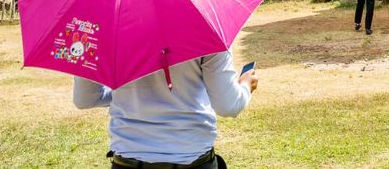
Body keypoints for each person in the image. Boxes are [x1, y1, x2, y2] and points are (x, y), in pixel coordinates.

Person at [73, 50, 258, 168]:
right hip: (192, 158)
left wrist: (126, 95)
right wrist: (245, 86)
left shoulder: (102, 29)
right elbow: (228, 105)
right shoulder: (207, 26)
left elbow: (85, 99)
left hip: (127, 160)